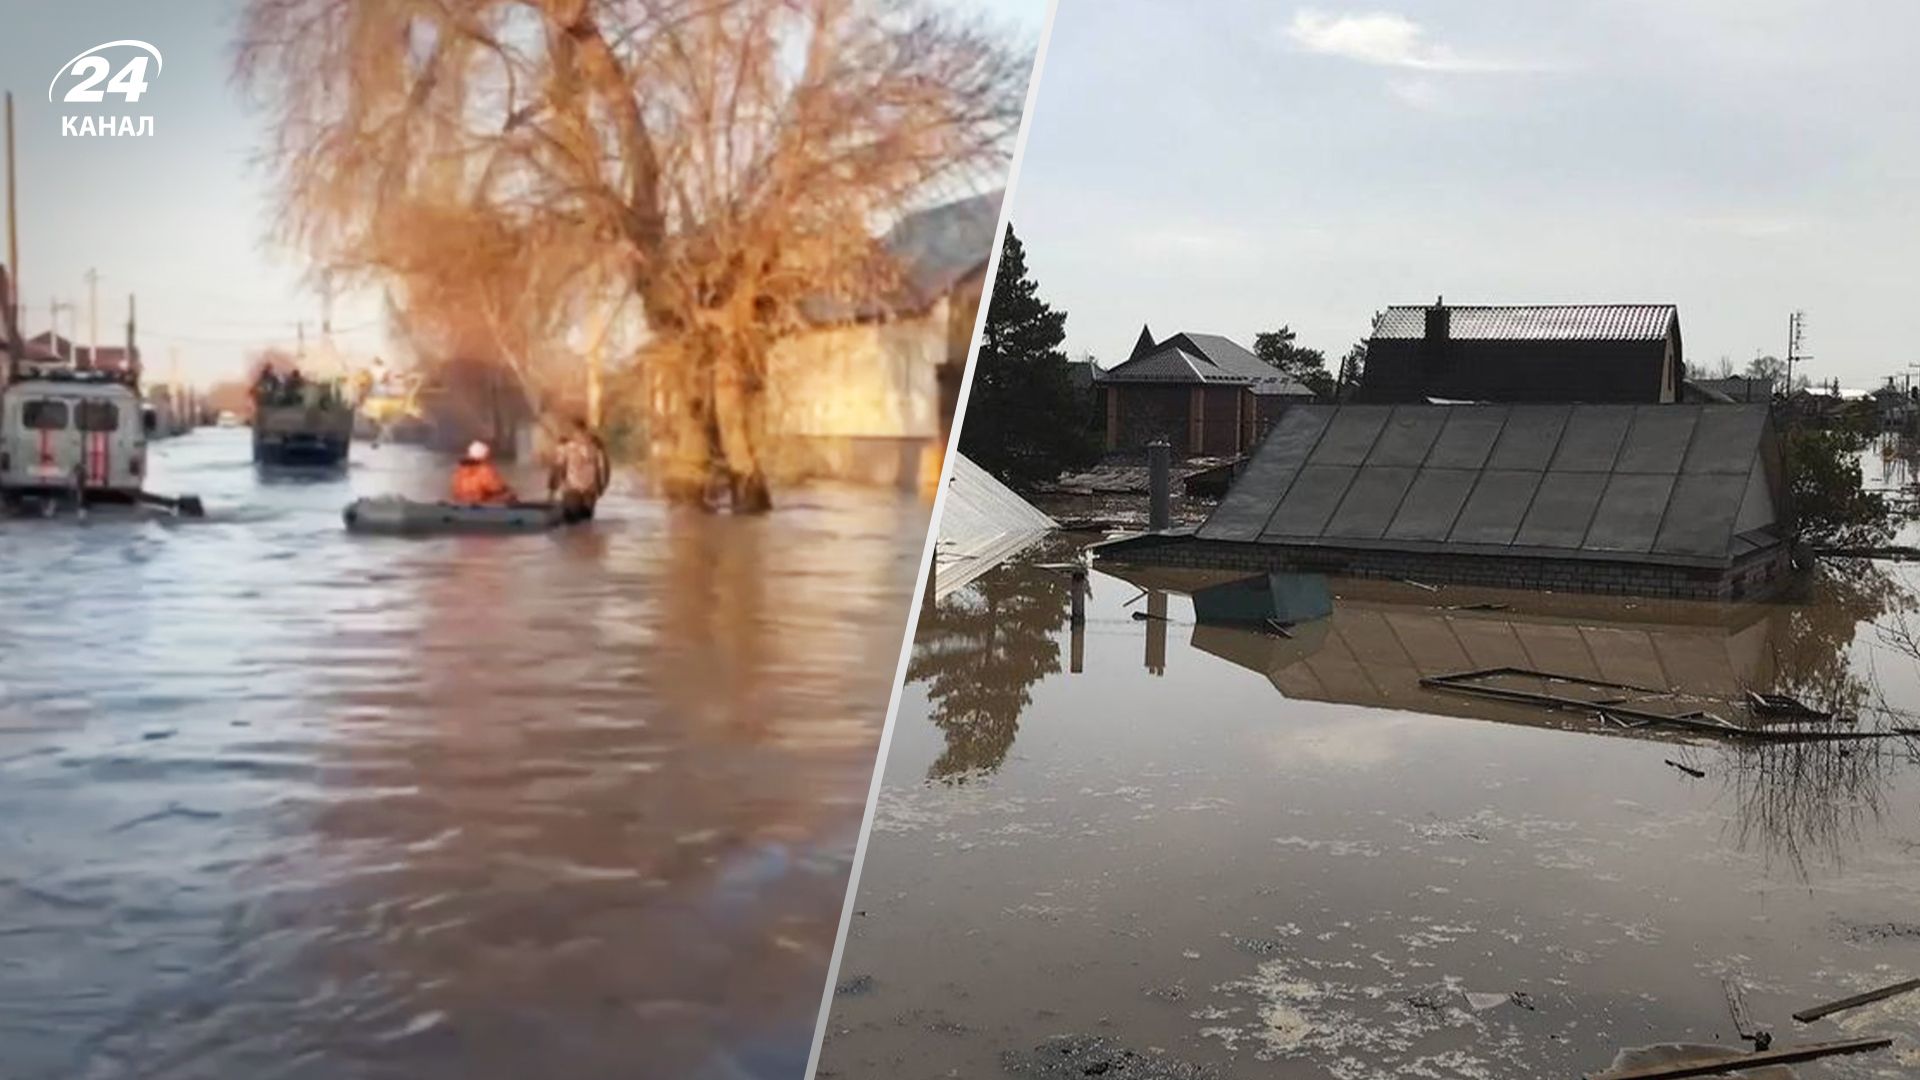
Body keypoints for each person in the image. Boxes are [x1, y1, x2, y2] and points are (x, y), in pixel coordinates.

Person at [548, 416, 610, 523]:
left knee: (572, 524)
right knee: (586, 523)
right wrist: (602, 486)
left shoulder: (566, 446)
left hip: (573, 489)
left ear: (574, 430)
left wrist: (552, 488)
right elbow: (604, 468)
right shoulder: (596, 446)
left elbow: (557, 467)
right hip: (590, 489)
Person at [451, 441, 515, 505]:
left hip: (463, 503)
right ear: (484, 455)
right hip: (483, 504)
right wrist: (508, 491)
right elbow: (496, 488)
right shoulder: (484, 470)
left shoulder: (460, 471)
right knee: (509, 496)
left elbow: (456, 490)